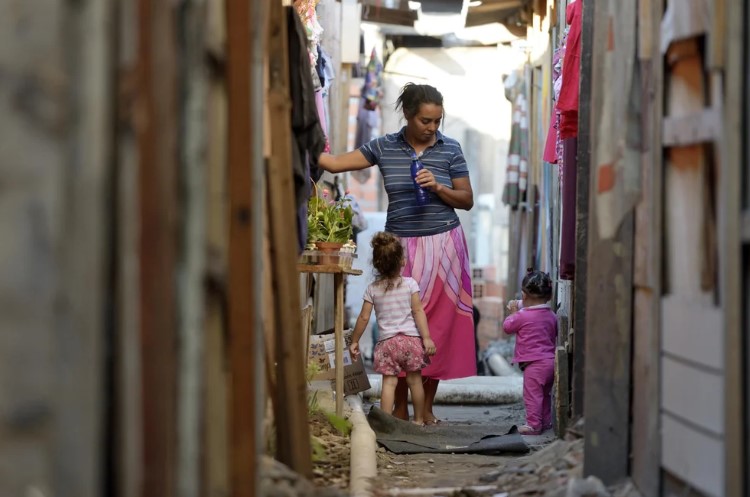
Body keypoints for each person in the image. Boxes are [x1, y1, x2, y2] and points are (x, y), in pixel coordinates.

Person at [318, 83, 476, 425]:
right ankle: (401, 408)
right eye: (425, 120)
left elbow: (466, 199)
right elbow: (332, 162)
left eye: (437, 120)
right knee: (401, 328)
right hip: (400, 248)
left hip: (445, 246)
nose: (433, 127)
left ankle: (426, 408)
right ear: (407, 115)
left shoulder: (451, 149)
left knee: (436, 329)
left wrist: (438, 186)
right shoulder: (384, 146)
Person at [349, 232, 437, 425]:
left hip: (387, 344)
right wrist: (427, 338)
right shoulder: (410, 284)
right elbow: (418, 311)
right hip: (411, 342)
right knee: (415, 381)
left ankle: (386, 423)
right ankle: (419, 420)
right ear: (402, 261)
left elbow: (364, 317)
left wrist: (355, 340)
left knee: (389, 383)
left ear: (377, 264)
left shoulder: (372, 289)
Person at [503, 270, 557, 435]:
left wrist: (513, 313)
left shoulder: (521, 316)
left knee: (532, 395)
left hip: (534, 364)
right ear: (549, 296)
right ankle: (546, 422)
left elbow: (507, 327)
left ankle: (533, 425)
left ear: (524, 296)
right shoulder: (552, 315)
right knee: (545, 395)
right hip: (550, 361)